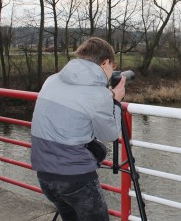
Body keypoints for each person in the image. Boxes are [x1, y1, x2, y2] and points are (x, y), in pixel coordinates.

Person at [30, 36, 125, 221]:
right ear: (105, 62)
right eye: (112, 67)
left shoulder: (52, 80)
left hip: (45, 175)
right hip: (76, 178)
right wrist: (115, 101)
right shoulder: (99, 94)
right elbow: (110, 134)